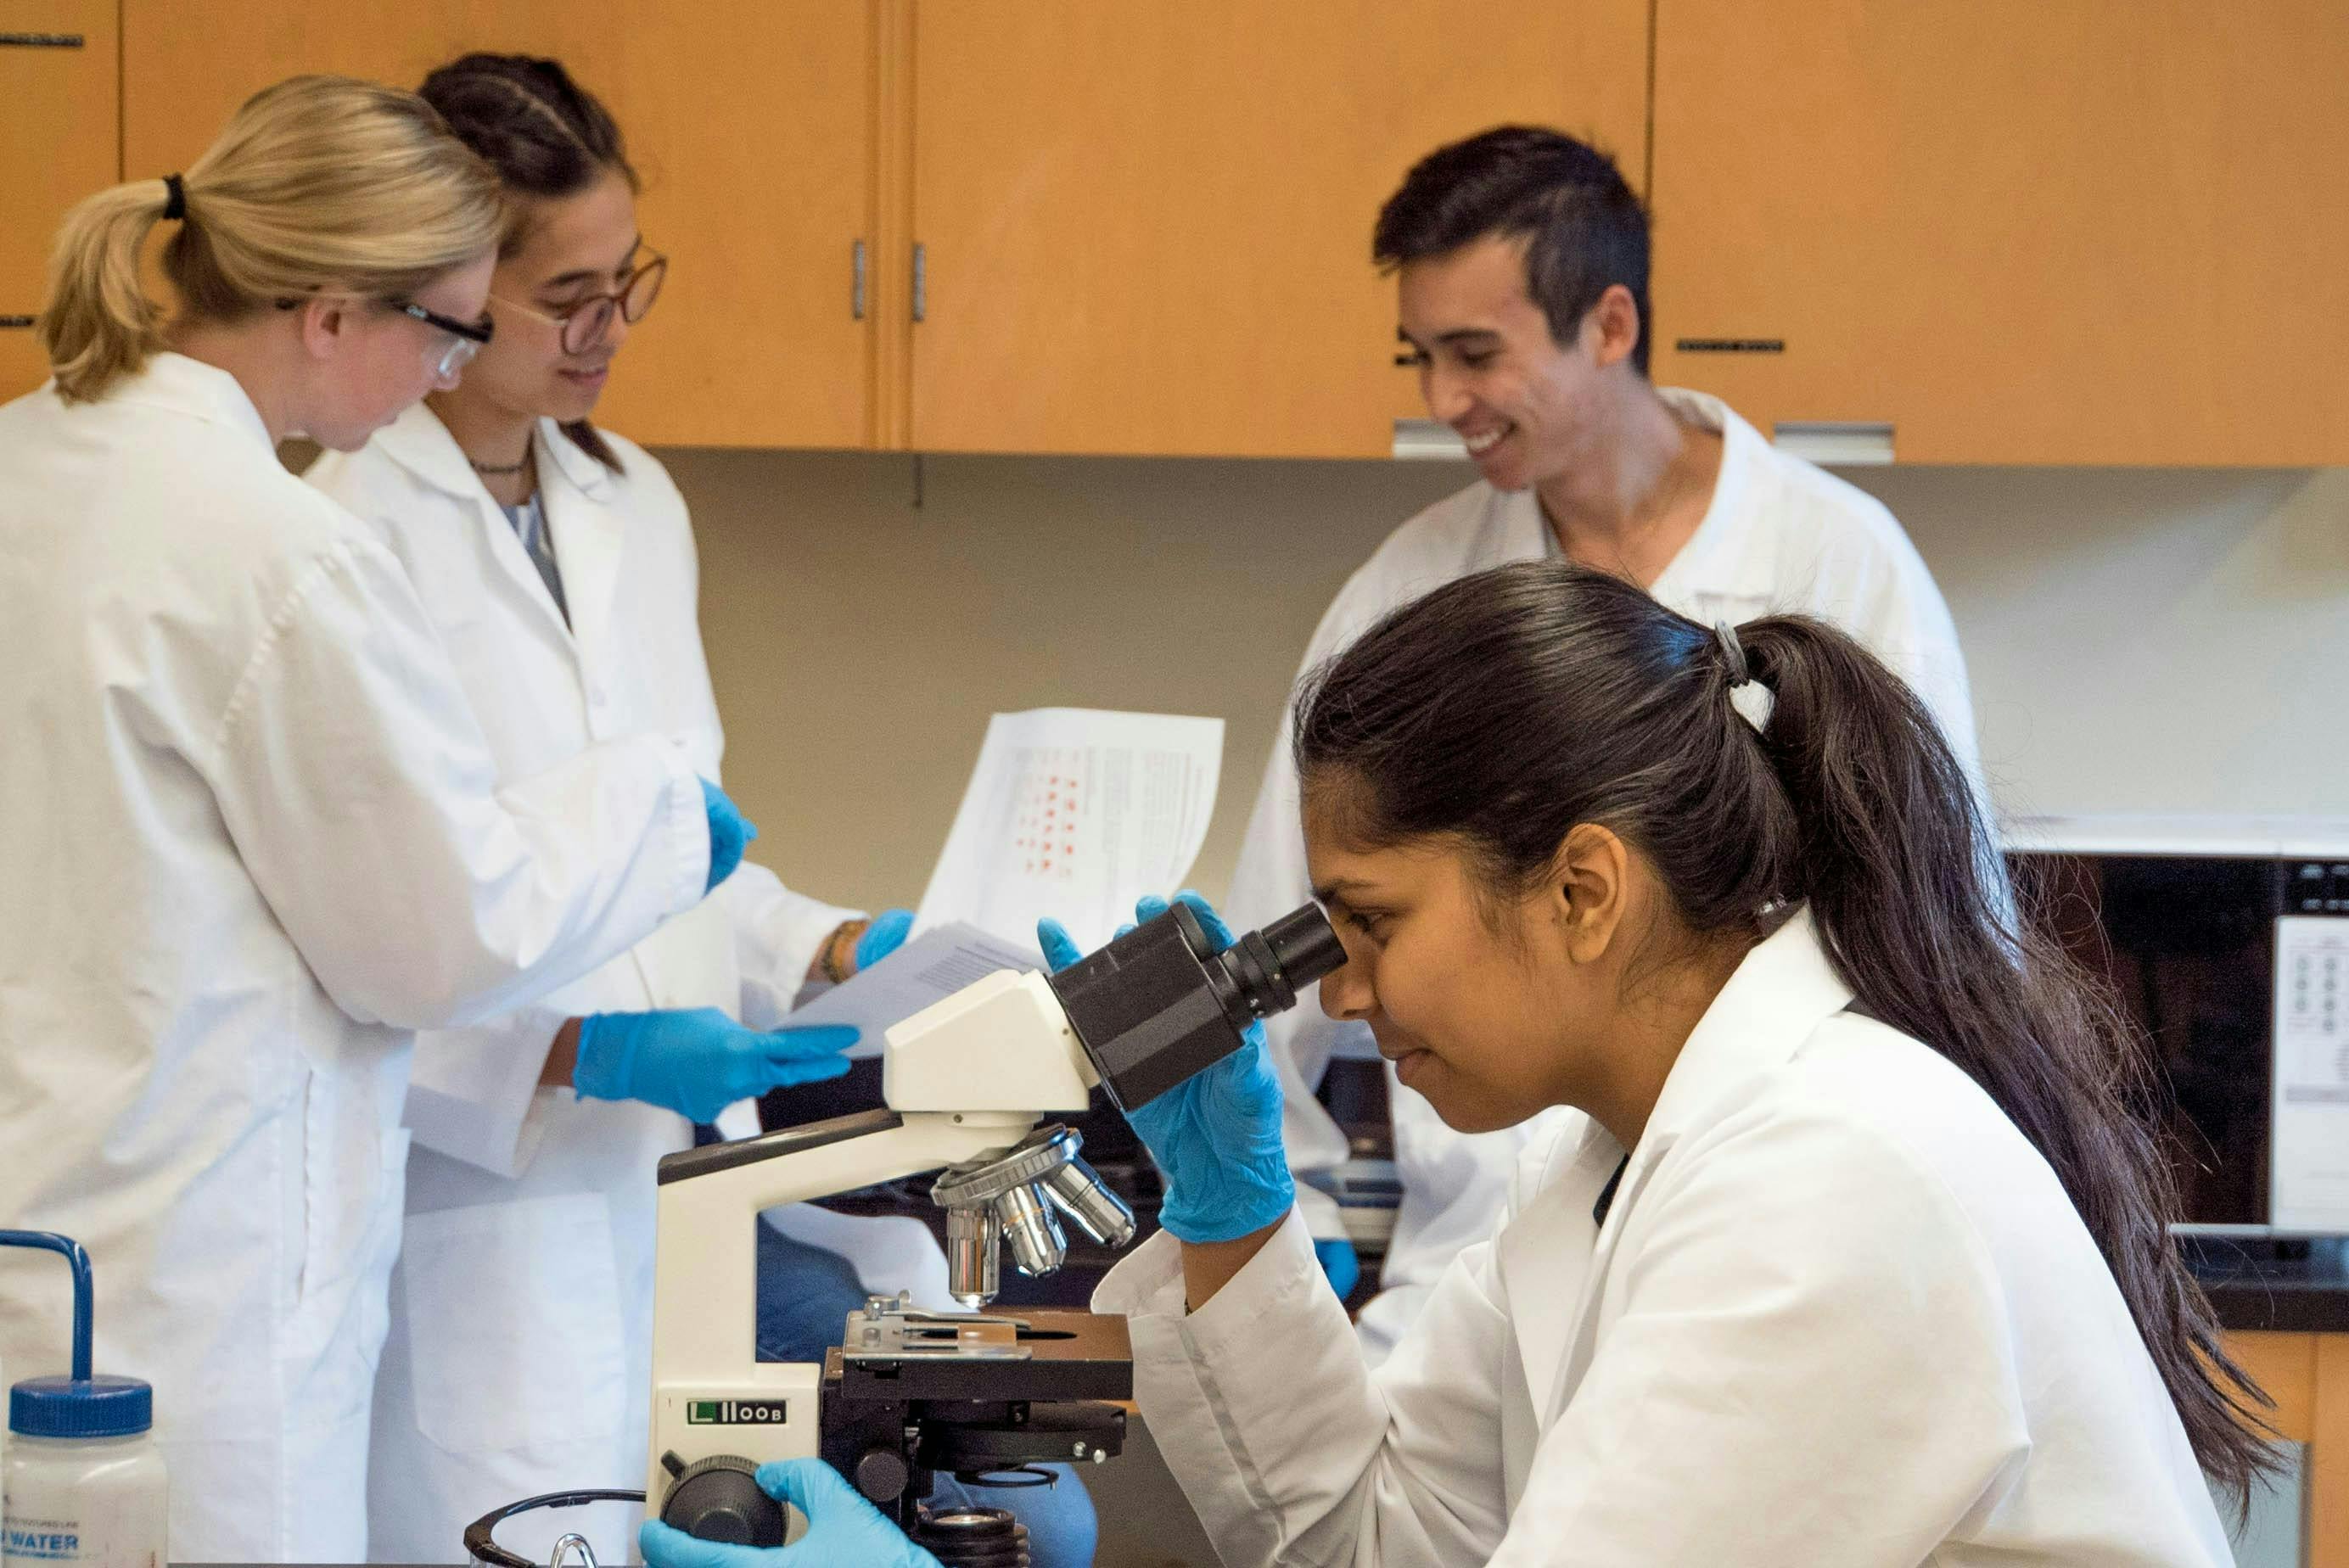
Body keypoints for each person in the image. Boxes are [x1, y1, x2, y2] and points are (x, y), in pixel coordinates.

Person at [305, 56, 1087, 1566]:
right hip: (467, 1221)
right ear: (447, 292)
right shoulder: (339, 536)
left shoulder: (631, 506)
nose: (608, 334)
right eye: (566, 299)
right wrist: (568, 1055)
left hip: (676, 1189)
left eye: (626, 284)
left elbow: (681, 857)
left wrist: (832, 944)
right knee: (520, 1519)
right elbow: (342, 954)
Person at [0, 76, 788, 1562]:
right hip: (200, 1305)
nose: (440, 377)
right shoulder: (279, 547)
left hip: (51, 1247)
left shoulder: (27, 468)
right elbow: (438, 937)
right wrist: (662, 812)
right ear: (330, 314)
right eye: (444, 329)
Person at [1225, 125, 1991, 1358]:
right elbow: (1294, 931)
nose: (1442, 401)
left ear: (1612, 325)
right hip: (1467, 1273)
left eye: (1477, 355)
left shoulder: (1839, 563)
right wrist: (1279, 1212)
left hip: (1762, 1240)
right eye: (1421, 357)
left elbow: (1938, 934)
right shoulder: (1413, 584)